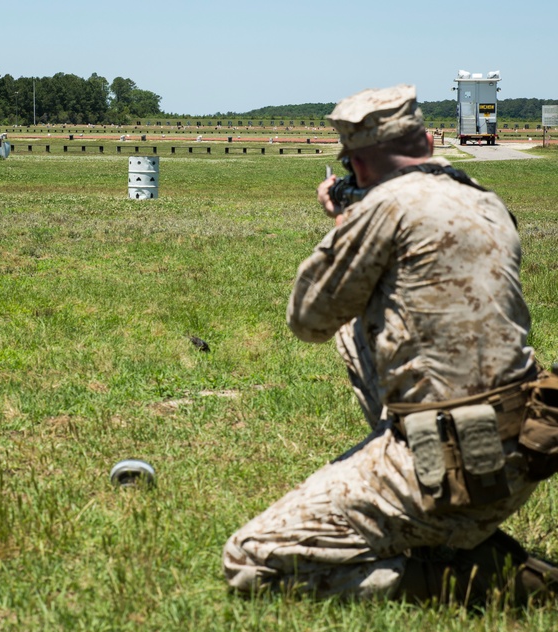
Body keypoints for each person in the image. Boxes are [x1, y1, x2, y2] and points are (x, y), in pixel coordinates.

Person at [222, 84, 558, 605]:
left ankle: (486, 582)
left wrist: (344, 222)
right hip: (524, 447)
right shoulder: (486, 202)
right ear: (425, 139)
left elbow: (308, 317)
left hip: (449, 466)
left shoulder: (386, 205)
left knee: (251, 562)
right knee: (362, 323)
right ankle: (446, 530)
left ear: (356, 163)